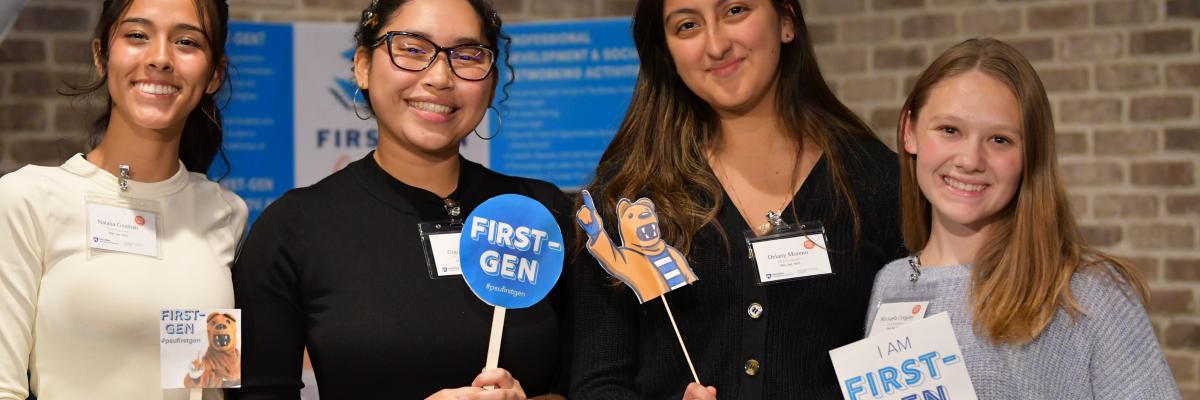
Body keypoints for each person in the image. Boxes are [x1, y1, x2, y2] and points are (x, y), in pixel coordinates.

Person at [231, 0, 572, 399]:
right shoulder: (294, 227)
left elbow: (600, 382)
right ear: (362, 66)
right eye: (412, 49)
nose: (440, 77)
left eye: (466, 55)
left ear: (492, 82)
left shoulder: (539, 213)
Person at [570, 0, 904, 398]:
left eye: (735, 11)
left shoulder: (876, 180)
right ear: (667, 52)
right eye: (688, 25)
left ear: (785, 21)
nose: (716, 45)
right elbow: (598, 382)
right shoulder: (625, 196)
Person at [864, 38, 1181, 399]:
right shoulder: (889, 283)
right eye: (950, 130)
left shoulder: (1087, 293)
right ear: (909, 131)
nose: (970, 159)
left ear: (1030, 153)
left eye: (999, 140)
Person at [0, 0, 246, 399]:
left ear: (214, 73)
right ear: (101, 55)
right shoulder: (29, 199)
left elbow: (204, 382)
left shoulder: (223, 214)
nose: (160, 58)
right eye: (137, 36)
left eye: (186, 41)